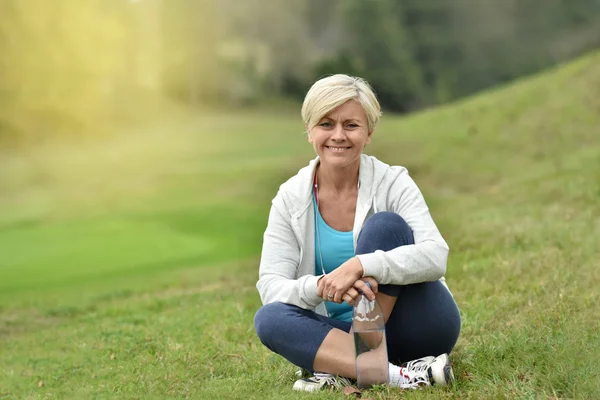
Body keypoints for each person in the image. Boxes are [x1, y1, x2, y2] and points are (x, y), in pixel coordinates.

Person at [253, 74, 461, 392]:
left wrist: (361, 265)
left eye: (351, 125)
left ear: (369, 133)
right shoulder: (290, 197)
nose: (338, 135)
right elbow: (271, 285)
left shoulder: (393, 182)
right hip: (342, 332)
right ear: (309, 130)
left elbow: (436, 256)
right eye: (326, 124)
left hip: (419, 326)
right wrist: (320, 287)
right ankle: (397, 375)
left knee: (385, 227)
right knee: (268, 318)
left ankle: (343, 368)